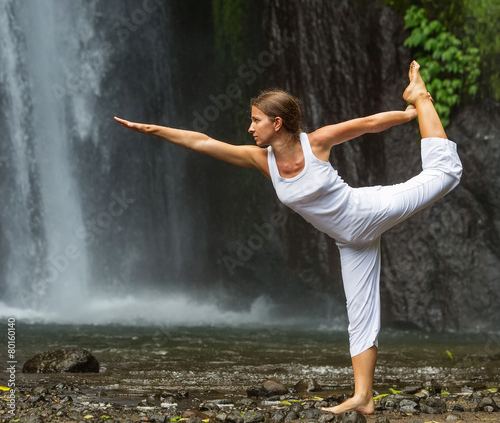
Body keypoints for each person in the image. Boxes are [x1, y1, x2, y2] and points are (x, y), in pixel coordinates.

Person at [114, 61, 462, 415]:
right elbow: (203, 142)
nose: (250, 127)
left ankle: (421, 95)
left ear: (276, 123)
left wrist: (410, 113)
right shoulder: (261, 161)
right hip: (350, 242)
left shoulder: (317, 144)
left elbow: (370, 124)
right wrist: (153, 129)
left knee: (447, 172)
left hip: (367, 211)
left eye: (255, 120)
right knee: (359, 314)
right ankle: (364, 397)